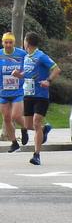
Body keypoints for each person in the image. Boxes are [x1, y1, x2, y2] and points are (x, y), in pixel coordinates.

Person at [15, 31, 59, 166]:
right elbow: (27, 73)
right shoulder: (27, 56)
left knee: (35, 122)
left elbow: (57, 69)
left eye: (24, 40)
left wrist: (48, 81)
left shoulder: (41, 56)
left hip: (41, 95)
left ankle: (36, 155)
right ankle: (44, 130)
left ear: (27, 42)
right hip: (28, 94)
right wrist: (19, 75)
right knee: (28, 125)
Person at [1, 32, 28, 153]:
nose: (8, 45)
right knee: (6, 118)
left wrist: (20, 75)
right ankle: (14, 143)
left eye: (10, 42)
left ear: (14, 43)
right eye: (6, 42)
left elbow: (29, 69)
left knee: (16, 116)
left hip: (18, 91)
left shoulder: (22, 54)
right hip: (3, 92)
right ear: (2, 43)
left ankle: (24, 128)